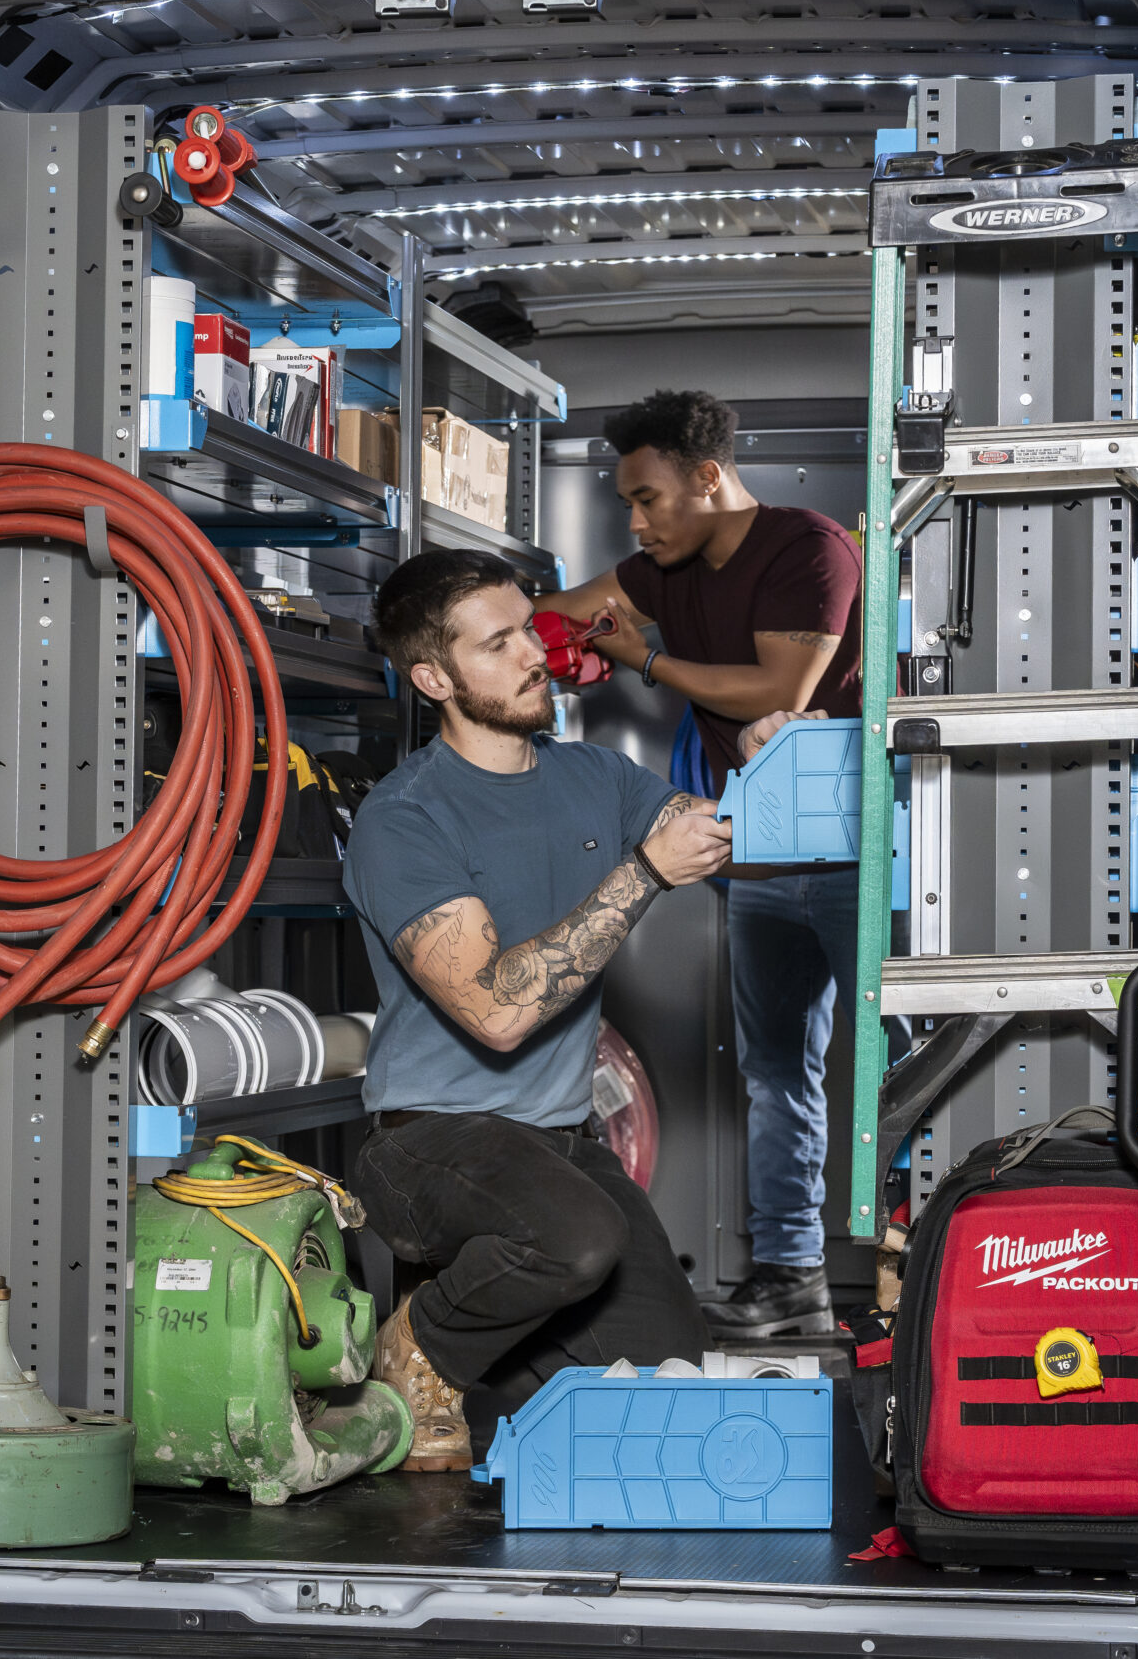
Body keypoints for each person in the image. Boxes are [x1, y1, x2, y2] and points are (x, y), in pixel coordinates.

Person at [343, 548, 736, 1470]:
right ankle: (418, 1340)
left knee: (665, 1379)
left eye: (530, 628)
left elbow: (712, 823)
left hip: (560, 1144)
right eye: (501, 642)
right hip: (430, 1140)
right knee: (576, 1237)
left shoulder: (592, 776)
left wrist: (770, 759)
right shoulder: (406, 819)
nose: (537, 655)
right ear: (434, 677)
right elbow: (496, 1013)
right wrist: (643, 873)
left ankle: (479, 1377)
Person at [534, 388, 864, 1341]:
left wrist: (646, 660)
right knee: (777, 1076)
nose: (636, 523)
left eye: (649, 499)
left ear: (709, 478)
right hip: (756, 859)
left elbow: (778, 684)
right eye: (627, 504)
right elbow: (559, 613)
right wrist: (489, 626)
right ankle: (790, 1276)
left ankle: (911, 1260)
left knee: (896, 1065)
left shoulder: (808, 550)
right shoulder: (662, 570)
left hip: (849, 856)